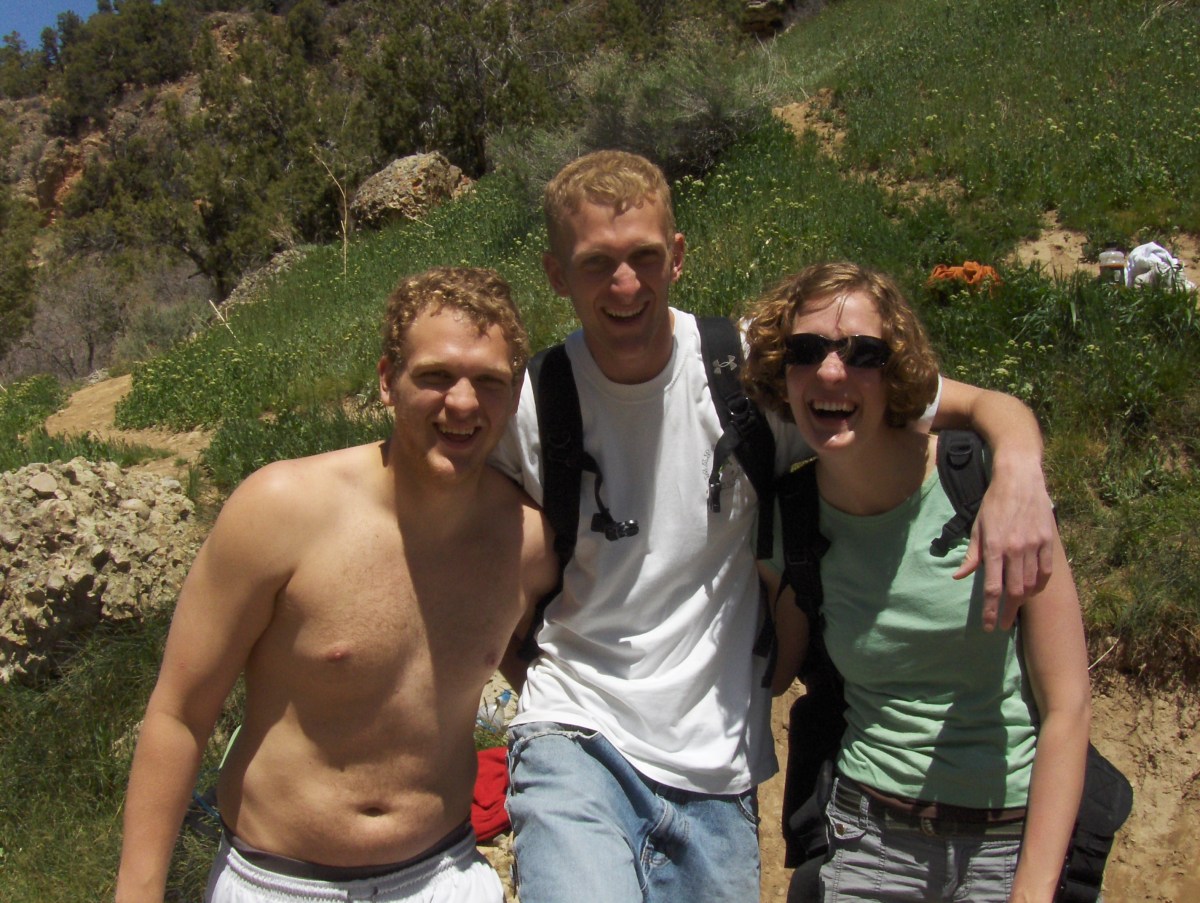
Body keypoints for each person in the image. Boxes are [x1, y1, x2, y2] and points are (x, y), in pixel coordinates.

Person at [490, 150, 1060, 902]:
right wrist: (532, 681)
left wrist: (1017, 467)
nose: (625, 284)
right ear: (556, 274)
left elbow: (972, 404)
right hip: (575, 733)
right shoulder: (531, 403)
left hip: (719, 765)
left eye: (645, 256)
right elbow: (457, 536)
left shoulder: (754, 375)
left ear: (679, 256)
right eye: (596, 263)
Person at [115, 267, 558, 903]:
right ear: (387, 381)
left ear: (514, 396)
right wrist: (138, 890)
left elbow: (561, 681)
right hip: (278, 881)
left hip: (445, 874)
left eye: (489, 381)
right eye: (435, 375)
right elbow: (179, 714)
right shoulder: (280, 512)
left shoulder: (527, 544)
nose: (463, 403)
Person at [741, 261, 1091, 902]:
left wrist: (1033, 890)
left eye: (863, 354)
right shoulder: (792, 516)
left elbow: (1068, 707)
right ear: (780, 372)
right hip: (868, 840)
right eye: (805, 350)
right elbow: (772, 671)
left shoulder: (986, 487)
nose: (830, 372)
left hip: (1009, 844)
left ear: (897, 373)